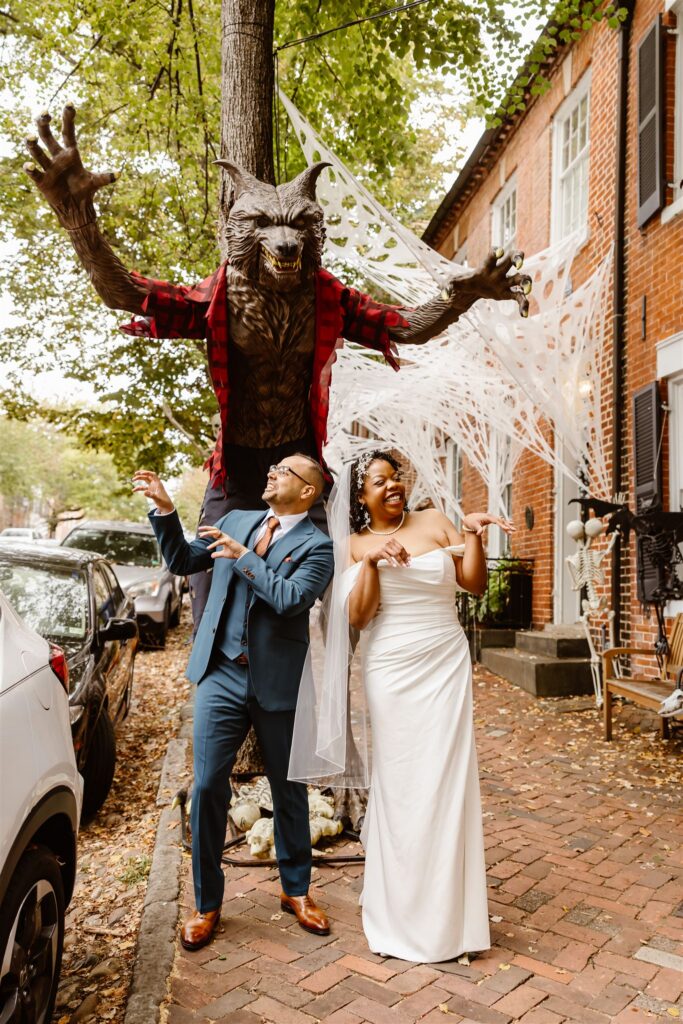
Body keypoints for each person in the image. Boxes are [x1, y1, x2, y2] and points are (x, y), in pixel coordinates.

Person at [132, 455, 334, 951]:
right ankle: (207, 903)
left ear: (308, 491)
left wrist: (244, 556)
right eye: (271, 467)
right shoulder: (235, 520)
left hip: (278, 681)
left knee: (288, 788)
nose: (271, 472)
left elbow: (288, 598)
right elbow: (183, 560)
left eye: (284, 471)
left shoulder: (320, 548)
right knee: (206, 787)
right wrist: (163, 511)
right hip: (220, 672)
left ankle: (296, 890)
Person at [344, 450, 515, 963]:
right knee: (401, 785)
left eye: (395, 477)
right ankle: (400, 910)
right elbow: (358, 616)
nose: (392, 486)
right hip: (391, 668)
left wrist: (474, 535)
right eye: (379, 481)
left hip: (444, 659)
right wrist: (372, 561)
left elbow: (474, 584)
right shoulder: (353, 544)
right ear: (361, 496)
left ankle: (446, 918)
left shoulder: (438, 521)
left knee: (446, 779)